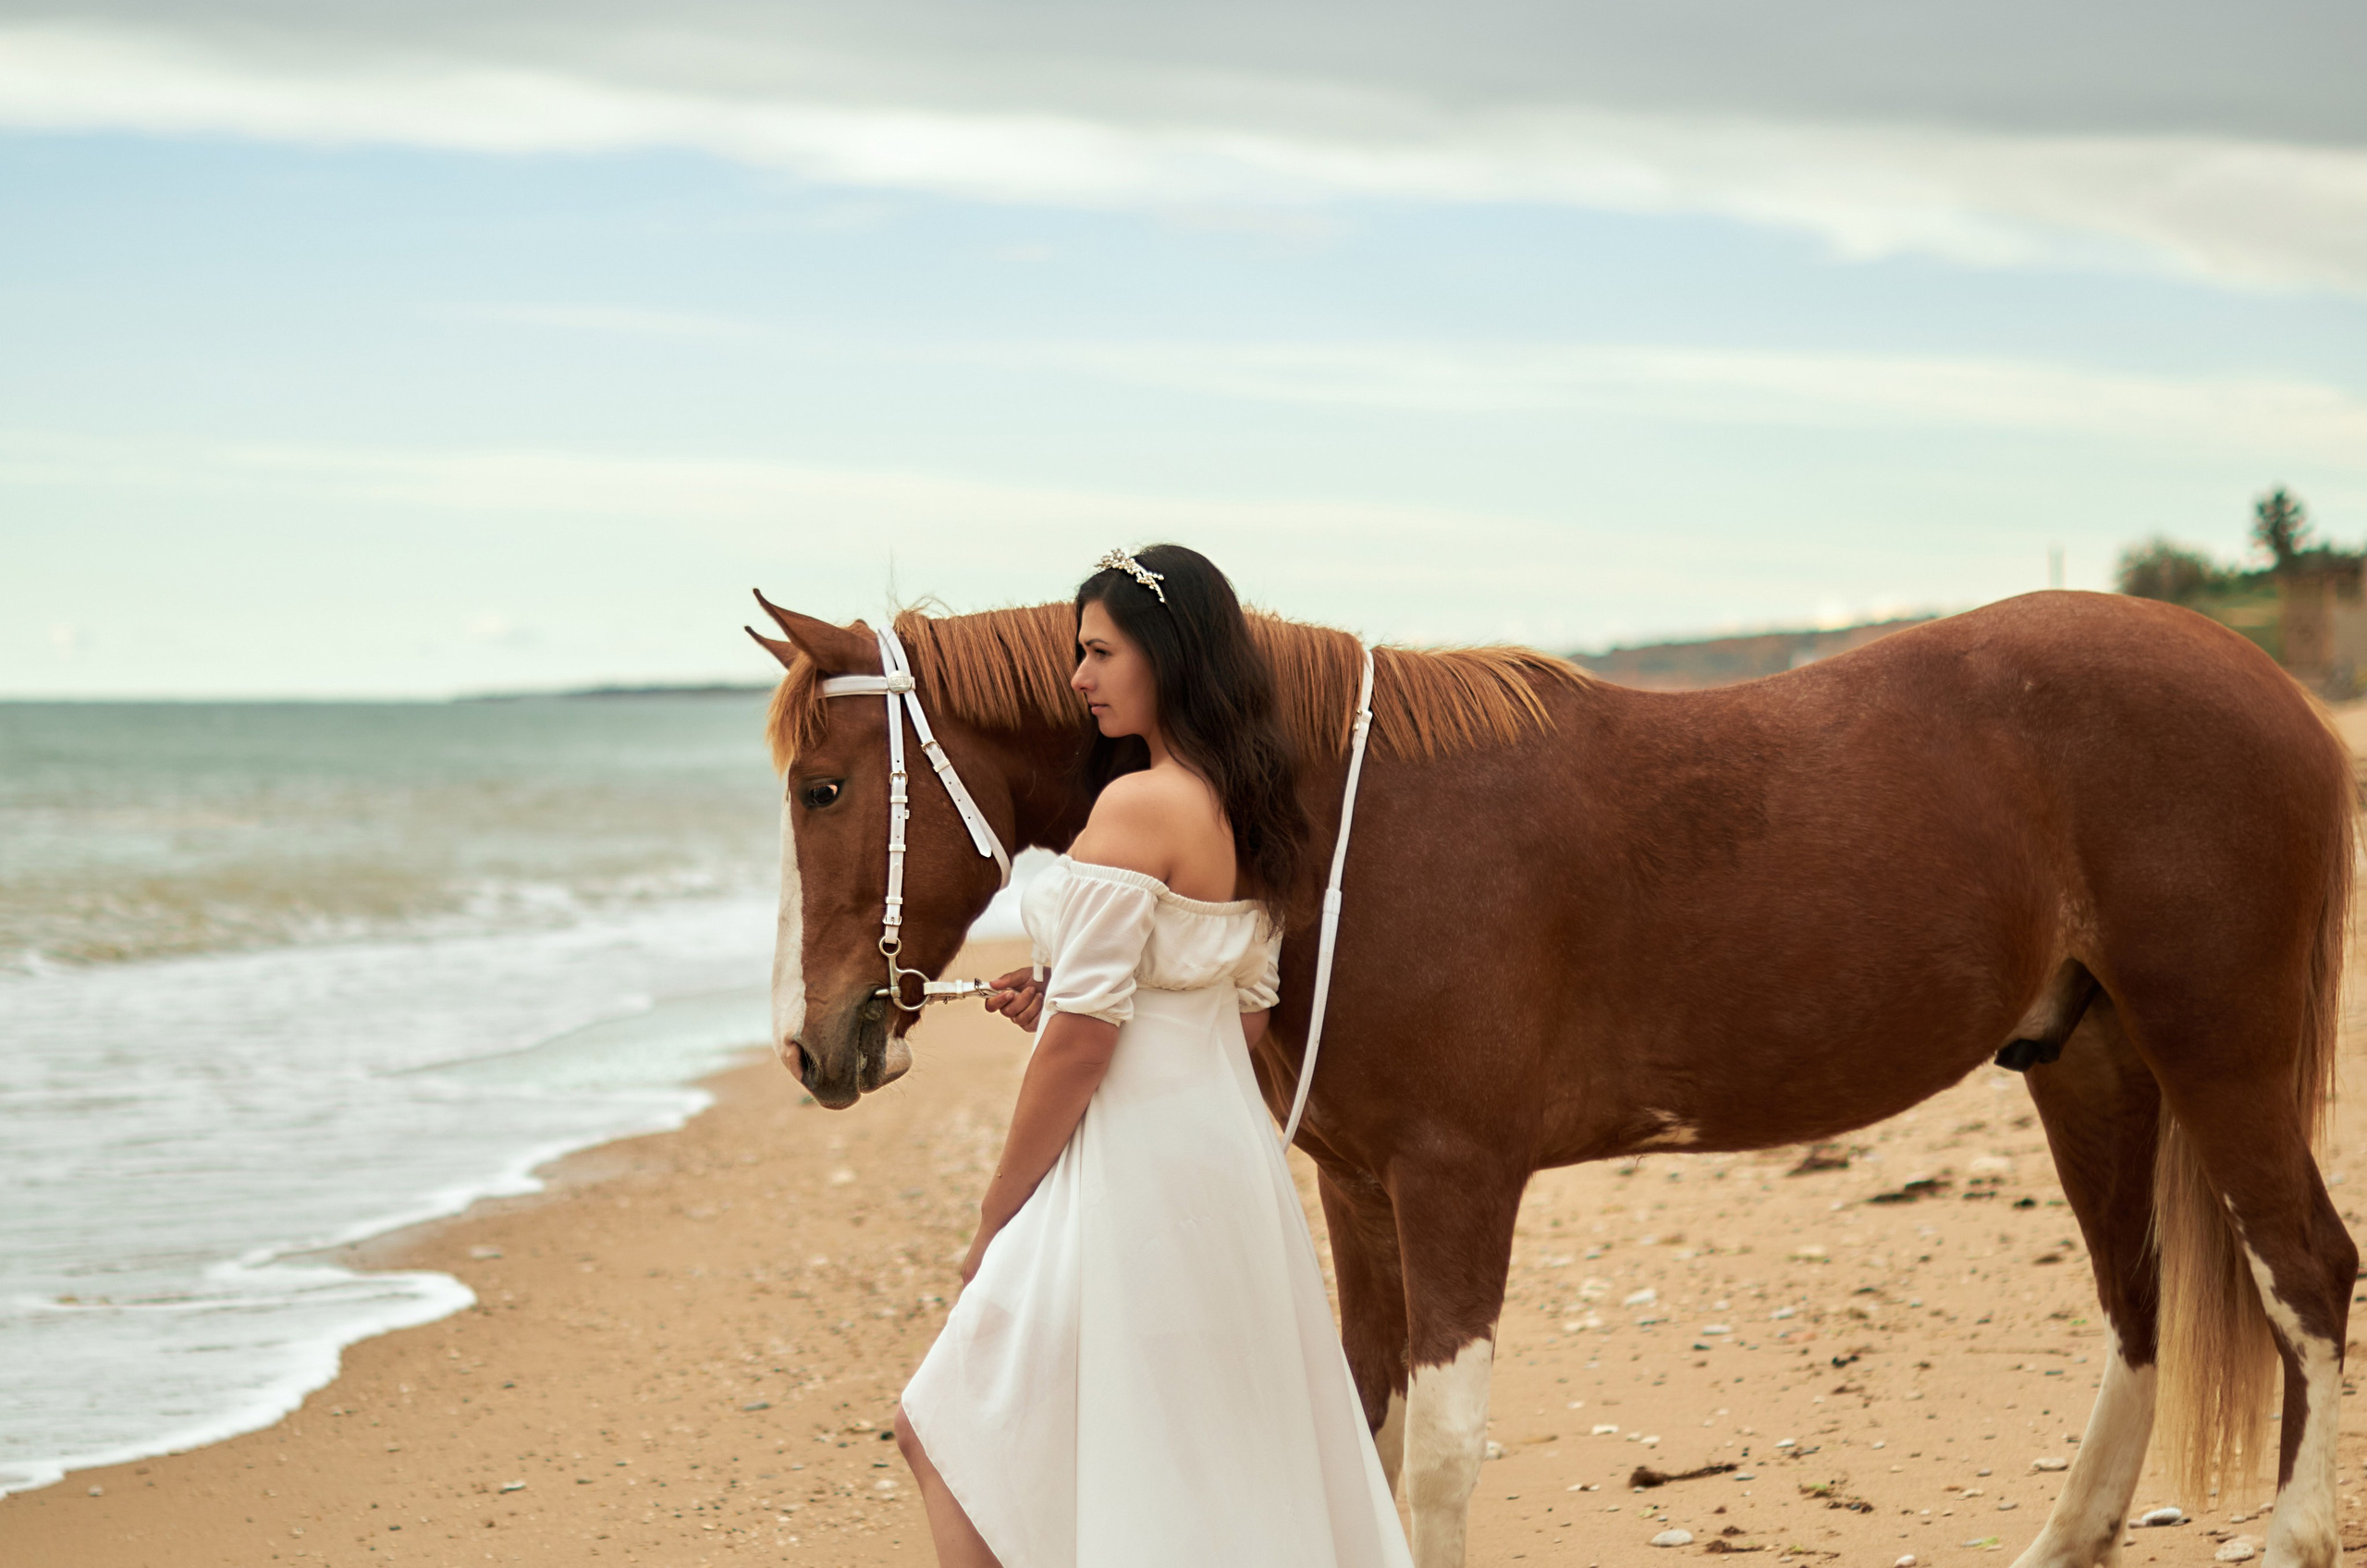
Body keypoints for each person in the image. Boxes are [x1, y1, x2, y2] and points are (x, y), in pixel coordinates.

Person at [893, 545, 1415, 1567]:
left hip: (1125, 1167)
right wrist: (1072, 999)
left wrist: (997, 1212)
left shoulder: (1136, 805)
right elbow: (1237, 1014)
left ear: (1168, 656)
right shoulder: (1254, 811)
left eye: (1098, 652)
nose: (1078, 678)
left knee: (947, 1425)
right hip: (1223, 1158)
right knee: (1190, 1453)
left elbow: (1083, 1046)